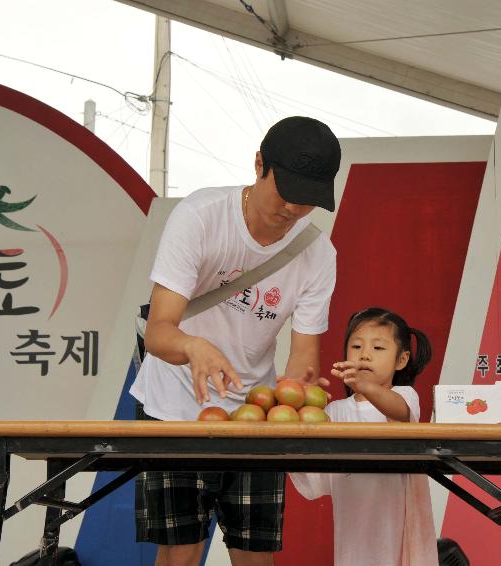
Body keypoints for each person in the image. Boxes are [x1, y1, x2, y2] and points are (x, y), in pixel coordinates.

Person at [129, 116, 341, 566]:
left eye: (308, 201)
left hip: (255, 415)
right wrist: (194, 347)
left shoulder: (318, 255)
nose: (294, 209)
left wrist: (302, 390)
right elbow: (159, 330)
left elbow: (303, 355)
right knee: (180, 553)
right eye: (286, 192)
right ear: (259, 163)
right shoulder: (200, 218)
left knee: (254, 554)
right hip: (175, 407)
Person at [290, 307, 439, 566]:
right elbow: (315, 482)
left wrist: (365, 385)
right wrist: (296, 408)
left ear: (401, 360)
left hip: (398, 538)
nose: (365, 355)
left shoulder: (405, 397)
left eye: (378, 349)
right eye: (356, 347)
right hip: (353, 543)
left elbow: (400, 413)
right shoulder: (333, 412)